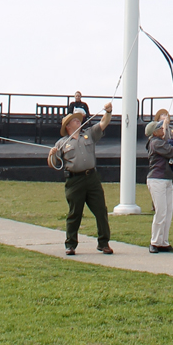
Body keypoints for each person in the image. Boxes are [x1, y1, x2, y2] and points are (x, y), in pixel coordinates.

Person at [48, 102, 114, 255]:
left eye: (78, 119)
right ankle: (70, 245)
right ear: (68, 126)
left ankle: (103, 243)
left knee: (101, 210)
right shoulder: (62, 143)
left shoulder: (89, 134)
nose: (79, 121)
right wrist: (51, 154)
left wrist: (109, 112)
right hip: (74, 181)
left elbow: (103, 123)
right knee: (74, 213)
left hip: (91, 178)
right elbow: (53, 164)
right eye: (75, 120)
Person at [145, 109, 173, 253]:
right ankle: (155, 241)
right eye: (160, 128)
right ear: (154, 132)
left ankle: (163, 241)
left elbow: (171, 147)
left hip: (166, 179)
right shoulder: (155, 143)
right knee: (161, 211)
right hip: (157, 179)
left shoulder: (159, 141)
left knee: (168, 212)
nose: (163, 129)